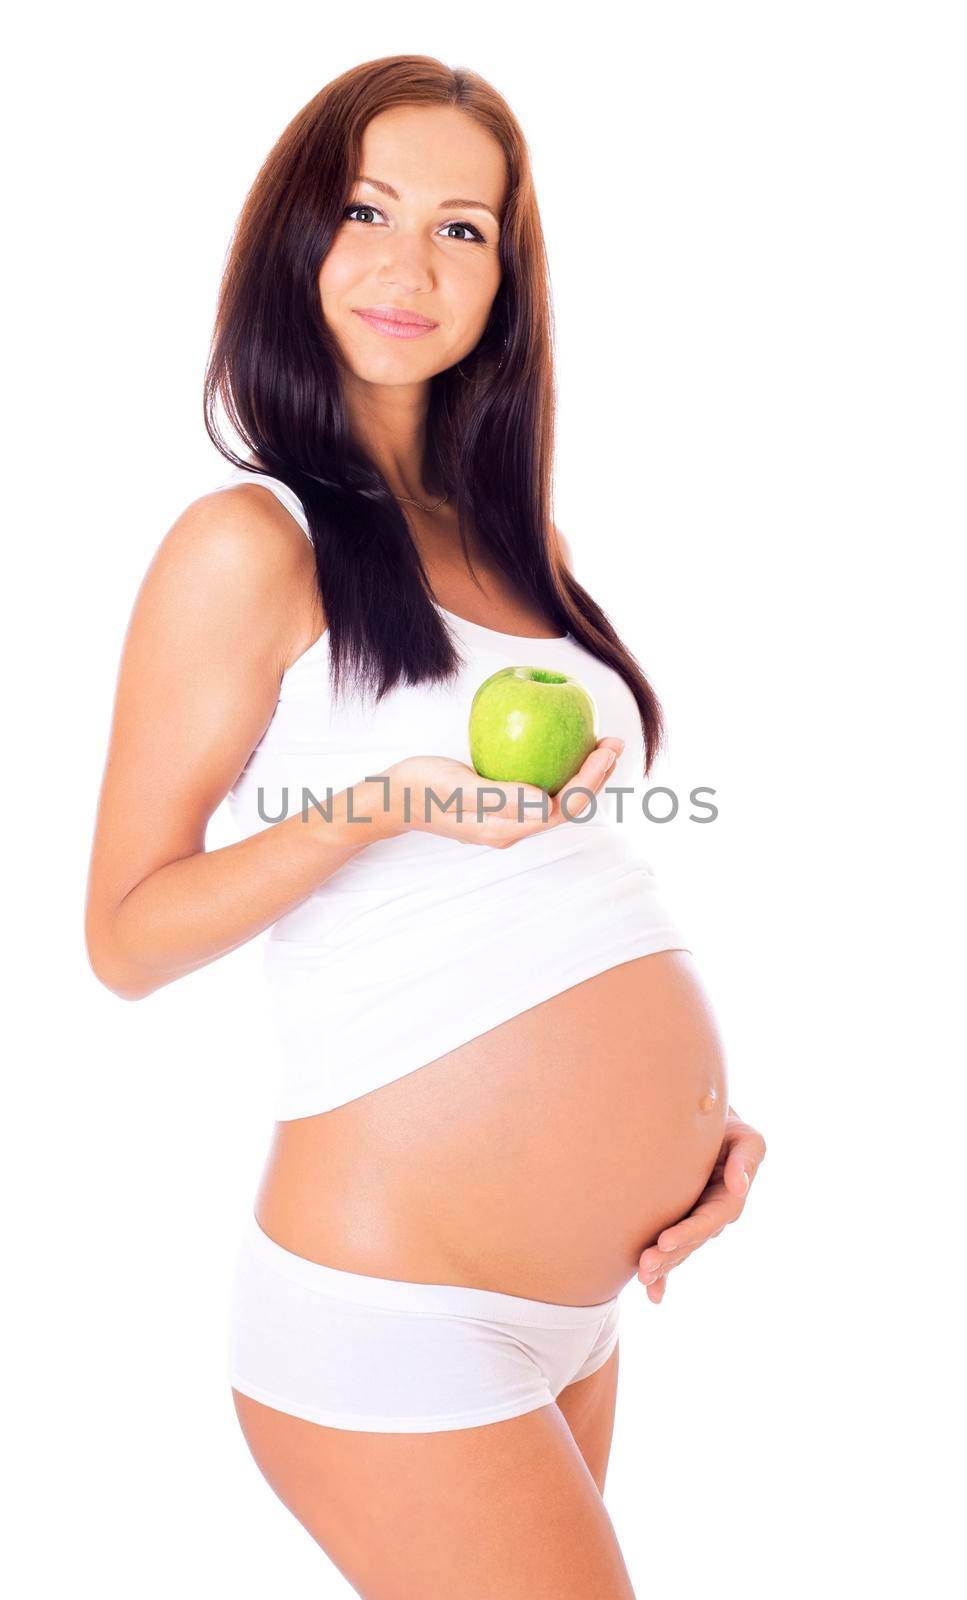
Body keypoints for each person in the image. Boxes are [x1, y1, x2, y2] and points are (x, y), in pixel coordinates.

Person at [85, 54, 766, 1600]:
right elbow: (123, 937)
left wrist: (694, 1135)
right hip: (397, 1300)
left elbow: (570, 875)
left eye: (466, 229)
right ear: (293, 242)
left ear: (505, 281)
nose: (412, 264)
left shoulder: (527, 546)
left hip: (585, 1301)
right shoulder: (249, 541)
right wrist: (379, 806)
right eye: (368, 210)